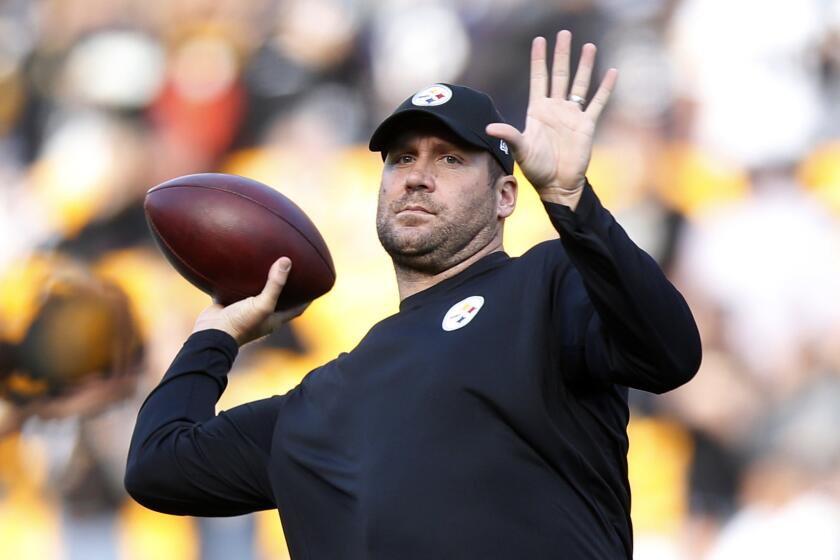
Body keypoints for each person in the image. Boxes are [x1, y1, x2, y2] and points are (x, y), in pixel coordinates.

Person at [125, 31, 701, 559]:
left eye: (449, 158)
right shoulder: (322, 399)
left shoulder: (546, 286)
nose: (417, 175)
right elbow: (157, 466)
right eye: (402, 158)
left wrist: (571, 200)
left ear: (506, 196)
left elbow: (669, 353)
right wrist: (218, 334)